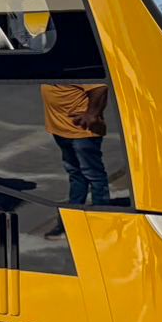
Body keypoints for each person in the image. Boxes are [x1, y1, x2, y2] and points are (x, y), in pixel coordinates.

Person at [42, 83, 110, 238]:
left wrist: (92, 114)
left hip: (82, 132)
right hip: (61, 130)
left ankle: (101, 219)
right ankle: (74, 217)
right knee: (75, 174)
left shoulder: (73, 64)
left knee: (94, 175)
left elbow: (100, 88)